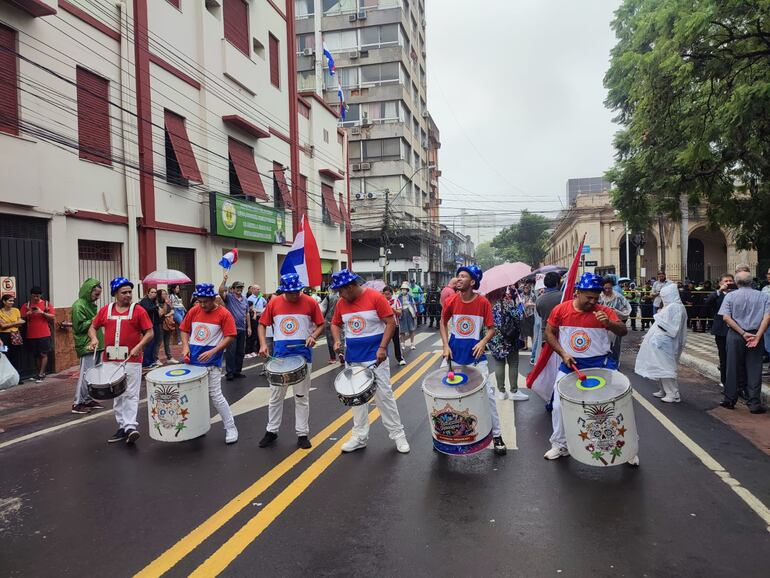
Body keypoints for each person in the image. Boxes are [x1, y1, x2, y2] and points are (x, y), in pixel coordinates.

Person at [542, 272, 629, 460]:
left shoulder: (603, 311)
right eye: (589, 297)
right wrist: (563, 353)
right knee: (558, 406)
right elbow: (549, 333)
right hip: (571, 366)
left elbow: (623, 330)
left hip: (601, 366)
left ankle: (626, 447)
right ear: (578, 292)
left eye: (596, 298)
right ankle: (560, 445)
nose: (593, 301)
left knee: (612, 407)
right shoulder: (561, 310)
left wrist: (609, 324)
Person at [330, 269, 410, 454]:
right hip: (353, 360)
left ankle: (398, 435)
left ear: (350, 287)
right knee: (357, 400)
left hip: (376, 359)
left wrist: (382, 348)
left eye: (340, 290)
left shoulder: (375, 297)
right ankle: (359, 437)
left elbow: (391, 323)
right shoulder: (342, 303)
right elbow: (335, 323)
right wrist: (336, 340)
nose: (339, 295)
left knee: (384, 397)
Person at [439, 264, 508, 455]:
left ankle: (497, 436)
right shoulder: (452, 300)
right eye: (458, 276)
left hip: (476, 359)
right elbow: (442, 322)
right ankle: (441, 437)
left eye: (463, 276)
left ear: (473, 281)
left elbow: (491, 328)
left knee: (488, 396)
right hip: (453, 357)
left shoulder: (483, 303)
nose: (458, 279)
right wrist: (445, 345)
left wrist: (483, 341)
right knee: (442, 396)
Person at [257, 274, 325, 449]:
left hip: (303, 356)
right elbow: (262, 324)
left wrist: (313, 335)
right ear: (284, 290)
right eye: (291, 292)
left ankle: (302, 434)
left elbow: (320, 324)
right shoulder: (274, 303)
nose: (295, 295)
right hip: (280, 357)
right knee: (275, 397)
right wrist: (263, 344)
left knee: (302, 397)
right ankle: (271, 431)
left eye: (297, 291)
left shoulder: (310, 302)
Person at [88, 277, 154, 444]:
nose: (128, 295)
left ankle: (130, 426)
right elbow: (92, 327)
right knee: (117, 393)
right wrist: (94, 339)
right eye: (124, 292)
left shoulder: (138, 311)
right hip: (110, 360)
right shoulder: (105, 310)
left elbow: (150, 333)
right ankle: (122, 426)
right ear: (115, 294)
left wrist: (139, 346)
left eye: (130, 292)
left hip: (132, 359)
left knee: (131, 393)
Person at [179, 283, 239, 444]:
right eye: (200, 301)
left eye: (206, 301)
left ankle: (231, 427)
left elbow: (230, 336)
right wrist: (185, 346)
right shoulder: (194, 310)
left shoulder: (224, 314)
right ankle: (195, 428)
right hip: (192, 362)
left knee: (216, 396)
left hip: (212, 363)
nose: (203, 304)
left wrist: (213, 351)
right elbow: (184, 330)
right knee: (192, 397)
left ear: (213, 298)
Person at [718, 271, 770, 413]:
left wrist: (742, 332)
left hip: (735, 334)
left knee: (732, 367)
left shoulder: (730, 296)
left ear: (737, 282)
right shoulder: (763, 296)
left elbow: (726, 318)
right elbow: (767, 317)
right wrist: (758, 335)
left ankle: (730, 399)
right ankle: (754, 403)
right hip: (755, 334)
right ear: (751, 281)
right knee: (754, 368)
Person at [635, 284, 689, 402]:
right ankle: (664, 390)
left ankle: (673, 394)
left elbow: (671, 328)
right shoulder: (672, 307)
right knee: (660, 366)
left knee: (667, 368)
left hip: (667, 344)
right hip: (662, 343)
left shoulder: (675, 307)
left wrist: (658, 316)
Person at [70, 278, 105, 414]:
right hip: (86, 344)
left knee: (93, 374)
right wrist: (95, 320)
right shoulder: (79, 306)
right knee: (85, 374)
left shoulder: (89, 304)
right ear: (89, 291)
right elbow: (79, 327)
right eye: (96, 295)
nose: (97, 298)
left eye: (98, 295)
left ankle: (87, 399)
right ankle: (77, 403)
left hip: (96, 344)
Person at [489, 287, 527, 401]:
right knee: (513, 364)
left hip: (494, 338)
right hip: (509, 338)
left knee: (498, 364)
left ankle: (501, 392)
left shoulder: (487, 305)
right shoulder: (506, 303)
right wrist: (521, 306)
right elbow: (518, 316)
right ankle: (513, 391)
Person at [704, 274, 736, 388]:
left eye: (730, 281)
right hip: (721, 329)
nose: (728, 283)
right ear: (720, 283)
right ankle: (724, 380)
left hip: (736, 329)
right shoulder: (717, 295)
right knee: (723, 357)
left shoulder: (737, 294)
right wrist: (719, 291)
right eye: (725, 281)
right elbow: (707, 303)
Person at [19, 287, 55, 382]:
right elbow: (21, 317)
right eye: (34, 296)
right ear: (31, 295)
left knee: (43, 354)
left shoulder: (46, 304)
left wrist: (42, 312)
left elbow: (52, 316)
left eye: (38, 296)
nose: (36, 298)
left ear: (41, 295)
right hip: (31, 334)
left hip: (44, 333)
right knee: (36, 355)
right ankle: (38, 373)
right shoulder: (26, 305)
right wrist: (28, 313)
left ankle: (41, 374)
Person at [219, 275, 250, 380]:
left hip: (242, 328)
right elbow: (220, 291)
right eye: (237, 287)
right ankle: (230, 372)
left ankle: (237, 371)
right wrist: (225, 280)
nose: (239, 289)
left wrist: (249, 327)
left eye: (241, 288)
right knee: (231, 351)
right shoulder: (229, 297)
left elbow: (247, 314)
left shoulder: (245, 299)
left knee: (240, 351)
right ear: (233, 289)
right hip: (231, 329)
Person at [599, 276, 631, 362]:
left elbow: (627, 309)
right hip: (601, 325)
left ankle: (614, 361)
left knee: (615, 345)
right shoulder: (599, 297)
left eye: (609, 288)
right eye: (605, 288)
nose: (607, 290)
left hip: (615, 324)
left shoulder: (618, 297)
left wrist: (617, 312)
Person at [0, 294, 25, 383]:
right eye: (10, 301)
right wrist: (15, 323)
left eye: (12, 301)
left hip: (15, 336)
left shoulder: (16, 310)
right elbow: (2, 326)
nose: (12, 302)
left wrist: (9, 324)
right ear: (4, 301)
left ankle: (17, 378)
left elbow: (21, 322)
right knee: (6, 355)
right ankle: (6, 379)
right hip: (4, 337)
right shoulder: (0, 312)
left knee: (16, 356)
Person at [382, 285, 406, 365]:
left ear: (391, 294)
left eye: (388, 294)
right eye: (384, 294)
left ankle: (399, 358)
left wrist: (393, 310)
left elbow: (400, 312)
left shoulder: (396, 301)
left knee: (396, 342)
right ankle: (384, 358)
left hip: (394, 325)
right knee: (384, 342)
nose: (386, 296)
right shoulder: (381, 301)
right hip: (384, 326)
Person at [138, 287, 161, 369]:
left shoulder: (154, 302)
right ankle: (146, 363)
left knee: (153, 344)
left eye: (155, 292)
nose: (154, 294)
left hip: (155, 324)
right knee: (149, 343)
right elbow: (147, 309)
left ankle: (151, 361)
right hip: (148, 325)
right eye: (152, 292)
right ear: (148, 293)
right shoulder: (145, 301)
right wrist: (156, 307)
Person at [156, 289, 178, 364]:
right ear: (159, 295)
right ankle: (156, 358)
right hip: (161, 324)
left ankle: (169, 357)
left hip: (168, 324)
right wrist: (166, 305)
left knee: (167, 342)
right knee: (159, 342)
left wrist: (170, 312)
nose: (165, 295)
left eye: (166, 294)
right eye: (163, 294)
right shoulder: (158, 303)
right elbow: (162, 313)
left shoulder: (167, 302)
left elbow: (172, 310)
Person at [246, 284, 266, 358]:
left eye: (259, 289)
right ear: (253, 290)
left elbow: (265, 304)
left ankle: (258, 350)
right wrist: (256, 311)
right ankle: (251, 350)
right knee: (253, 334)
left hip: (261, 317)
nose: (259, 290)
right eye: (257, 289)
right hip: (254, 317)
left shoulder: (261, 297)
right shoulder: (250, 299)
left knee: (260, 334)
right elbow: (249, 309)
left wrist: (263, 310)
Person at [322, 287, 341, 364]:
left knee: (330, 340)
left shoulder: (328, 297)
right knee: (340, 338)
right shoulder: (342, 297)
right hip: (340, 320)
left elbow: (322, 309)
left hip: (329, 320)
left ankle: (333, 358)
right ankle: (341, 353)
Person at [397, 281, 417, 351]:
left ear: (407, 290)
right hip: (402, 313)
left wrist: (415, 313)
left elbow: (413, 304)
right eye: (402, 289)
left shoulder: (410, 297)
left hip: (409, 312)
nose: (403, 290)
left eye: (405, 289)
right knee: (402, 330)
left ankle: (412, 343)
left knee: (411, 329)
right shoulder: (398, 297)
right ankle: (402, 344)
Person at [519, 284, 536, 350]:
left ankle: (533, 346)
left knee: (531, 330)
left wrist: (530, 304)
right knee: (524, 331)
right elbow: (518, 304)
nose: (526, 289)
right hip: (523, 314)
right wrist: (521, 304)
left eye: (527, 288)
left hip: (531, 314)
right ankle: (525, 345)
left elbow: (536, 304)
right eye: (524, 288)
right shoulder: (520, 296)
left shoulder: (532, 295)